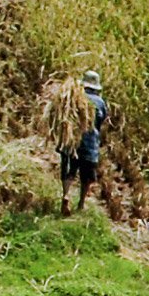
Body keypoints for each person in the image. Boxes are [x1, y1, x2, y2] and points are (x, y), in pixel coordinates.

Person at [61, 69, 107, 213]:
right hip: (90, 142)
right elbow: (101, 121)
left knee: (70, 170)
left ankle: (66, 194)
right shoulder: (100, 102)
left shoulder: (75, 97)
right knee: (86, 176)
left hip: (73, 139)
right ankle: (81, 203)